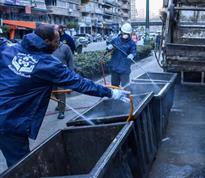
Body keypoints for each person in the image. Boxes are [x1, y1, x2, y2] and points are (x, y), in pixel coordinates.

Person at [0, 24, 129, 167]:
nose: (58, 45)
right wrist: (111, 92)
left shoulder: (9, 49)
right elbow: (79, 83)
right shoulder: (49, 64)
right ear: (46, 41)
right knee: (21, 167)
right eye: (56, 41)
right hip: (11, 123)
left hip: (6, 118)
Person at [52, 41, 74, 119]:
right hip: (50, 75)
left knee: (61, 92)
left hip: (62, 75)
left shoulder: (65, 47)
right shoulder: (47, 46)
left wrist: (71, 75)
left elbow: (70, 62)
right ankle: (59, 103)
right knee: (55, 92)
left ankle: (62, 111)